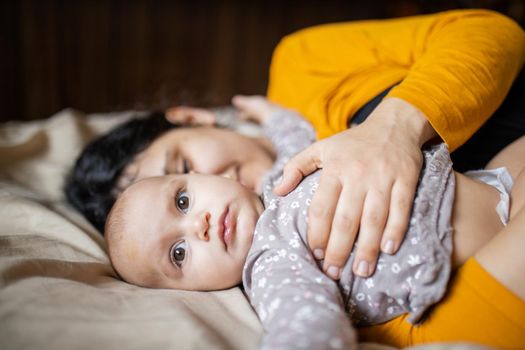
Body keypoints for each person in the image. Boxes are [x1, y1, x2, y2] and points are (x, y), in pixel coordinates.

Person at [105, 96, 525, 349]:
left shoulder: (280, 177)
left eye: (183, 201)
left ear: (203, 179)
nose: (200, 226)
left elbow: (297, 138)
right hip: (491, 248)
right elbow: (306, 322)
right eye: (179, 254)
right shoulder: (270, 265)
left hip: (489, 181)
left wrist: (269, 115)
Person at [267, 9, 525, 281]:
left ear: (214, 120)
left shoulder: (298, 65)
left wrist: (395, 125)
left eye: (215, 175)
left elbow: (492, 31)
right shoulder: (278, 254)